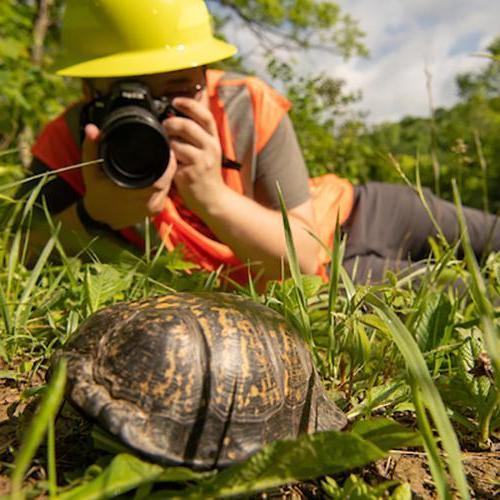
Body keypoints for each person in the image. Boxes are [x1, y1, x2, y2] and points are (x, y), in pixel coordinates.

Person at [20, 0, 500, 288]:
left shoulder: (247, 105)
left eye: (179, 88)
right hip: (328, 282)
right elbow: (21, 254)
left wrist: (210, 195)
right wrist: (95, 215)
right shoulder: (67, 144)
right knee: (463, 294)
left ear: (206, 76)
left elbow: (304, 248)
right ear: (89, 92)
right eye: (132, 95)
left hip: (361, 211)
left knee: (490, 238)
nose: (152, 113)